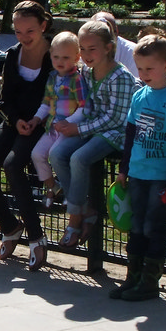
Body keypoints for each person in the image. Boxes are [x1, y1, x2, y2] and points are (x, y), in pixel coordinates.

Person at [0, 0, 54, 272]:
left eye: (30, 31)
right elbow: (4, 100)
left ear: (43, 26)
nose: (24, 37)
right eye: (18, 32)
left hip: (43, 123)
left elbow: (62, 94)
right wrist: (17, 121)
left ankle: (36, 237)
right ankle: (10, 226)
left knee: (13, 165)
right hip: (14, 122)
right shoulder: (12, 55)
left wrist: (36, 120)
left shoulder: (56, 54)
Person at [111, 34, 166, 301]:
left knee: (153, 227)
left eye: (150, 68)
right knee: (136, 225)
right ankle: (132, 277)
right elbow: (130, 135)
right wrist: (124, 169)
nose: (143, 74)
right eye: (140, 68)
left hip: (161, 177)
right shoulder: (139, 96)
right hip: (137, 173)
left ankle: (149, 282)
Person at [50, 19, 138, 247]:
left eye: (92, 49)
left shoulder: (121, 76)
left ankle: (74, 219)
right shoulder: (86, 72)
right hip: (90, 127)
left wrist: (78, 128)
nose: (86, 55)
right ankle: (85, 208)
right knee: (56, 154)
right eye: (82, 49)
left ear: (108, 48)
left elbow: (116, 119)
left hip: (114, 133)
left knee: (79, 158)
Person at [27, 31, 86, 208]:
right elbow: (46, 103)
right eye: (56, 57)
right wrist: (36, 118)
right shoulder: (52, 77)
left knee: (57, 155)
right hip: (52, 127)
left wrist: (69, 122)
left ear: (77, 57)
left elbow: (84, 106)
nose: (60, 61)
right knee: (37, 154)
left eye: (66, 57)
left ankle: (70, 192)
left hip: (68, 129)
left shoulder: (77, 79)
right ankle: (53, 186)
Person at [92, 10, 140, 80]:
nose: (105, 39)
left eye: (109, 33)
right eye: (98, 34)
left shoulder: (133, 53)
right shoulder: (84, 52)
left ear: (117, 31)